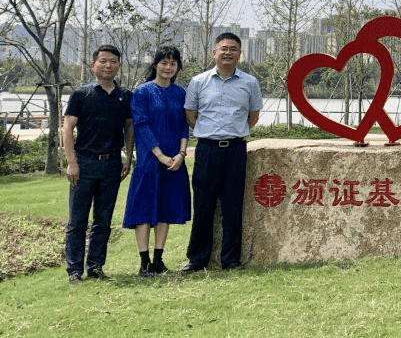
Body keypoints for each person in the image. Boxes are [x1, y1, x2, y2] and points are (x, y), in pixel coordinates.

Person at [180, 32, 262, 273]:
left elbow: (253, 116)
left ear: (240, 54)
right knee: (203, 205)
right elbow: (190, 115)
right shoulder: (198, 82)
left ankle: (231, 260)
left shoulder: (250, 83)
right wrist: (209, 132)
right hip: (207, 150)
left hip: (236, 150)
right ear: (214, 52)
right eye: (224, 48)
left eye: (234, 49)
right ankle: (197, 259)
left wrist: (235, 132)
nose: (228, 52)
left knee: (233, 205)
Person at [62, 45, 133, 284]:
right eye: (103, 61)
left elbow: (129, 128)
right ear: (93, 65)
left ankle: (96, 267)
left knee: (103, 220)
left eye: (113, 62)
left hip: (112, 163)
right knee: (77, 221)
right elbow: (67, 129)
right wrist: (71, 162)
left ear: (118, 66)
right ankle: (74, 271)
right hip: (84, 163)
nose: (108, 66)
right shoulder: (81, 95)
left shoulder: (125, 96)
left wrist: (129, 156)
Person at [122, 46, 191, 276]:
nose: (168, 67)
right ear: (155, 65)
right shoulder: (142, 92)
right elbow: (141, 125)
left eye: (173, 63)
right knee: (144, 208)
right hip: (150, 161)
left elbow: (184, 125)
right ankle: (144, 263)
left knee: (166, 208)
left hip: (174, 161)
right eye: (164, 63)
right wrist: (160, 155)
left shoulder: (181, 93)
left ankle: (159, 260)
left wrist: (181, 154)